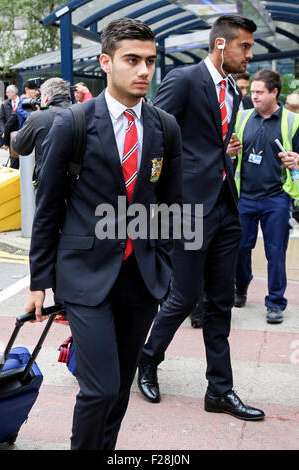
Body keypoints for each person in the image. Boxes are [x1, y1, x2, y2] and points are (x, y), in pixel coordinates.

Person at [24, 18, 182, 450]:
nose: (144, 70)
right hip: (83, 274)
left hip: (142, 278)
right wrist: (40, 281)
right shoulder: (72, 123)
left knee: (117, 391)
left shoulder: (165, 126)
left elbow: (171, 204)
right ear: (106, 63)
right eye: (133, 60)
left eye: (150, 60)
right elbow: (49, 207)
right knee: (99, 388)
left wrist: (165, 266)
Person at [138, 14, 265, 421]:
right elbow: (152, 130)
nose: (250, 54)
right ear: (222, 46)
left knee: (220, 300)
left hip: (227, 204)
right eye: (245, 46)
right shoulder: (185, 79)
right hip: (190, 206)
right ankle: (147, 359)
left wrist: (221, 152)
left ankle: (220, 391)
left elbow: (208, 138)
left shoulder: (232, 89)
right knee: (185, 296)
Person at [231, 69, 299, 324]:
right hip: (245, 196)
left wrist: (297, 161)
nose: (254, 97)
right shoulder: (242, 117)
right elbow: (231, 154)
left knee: (275, 252)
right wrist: (229, 151)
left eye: (260, 92)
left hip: (276, 197)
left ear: (274, 93)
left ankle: (276, 303)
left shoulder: (293, 122)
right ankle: (240, 287)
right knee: (239, 248)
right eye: (253, 92)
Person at [13, 77, 72, 183]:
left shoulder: (38, 117)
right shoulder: (83, 113)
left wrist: (38, 115)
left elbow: (20, 147)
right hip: (80, 185)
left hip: (49, 186)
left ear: (45, 97)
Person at [0, 84, 19, 153]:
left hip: (22, 134)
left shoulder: (22, 102)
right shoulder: (4, 104)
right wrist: (4, 131)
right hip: (10, 135)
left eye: (8, 92)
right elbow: (1, 120)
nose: (6, 94)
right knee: (13, 159)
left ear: (14, 92)